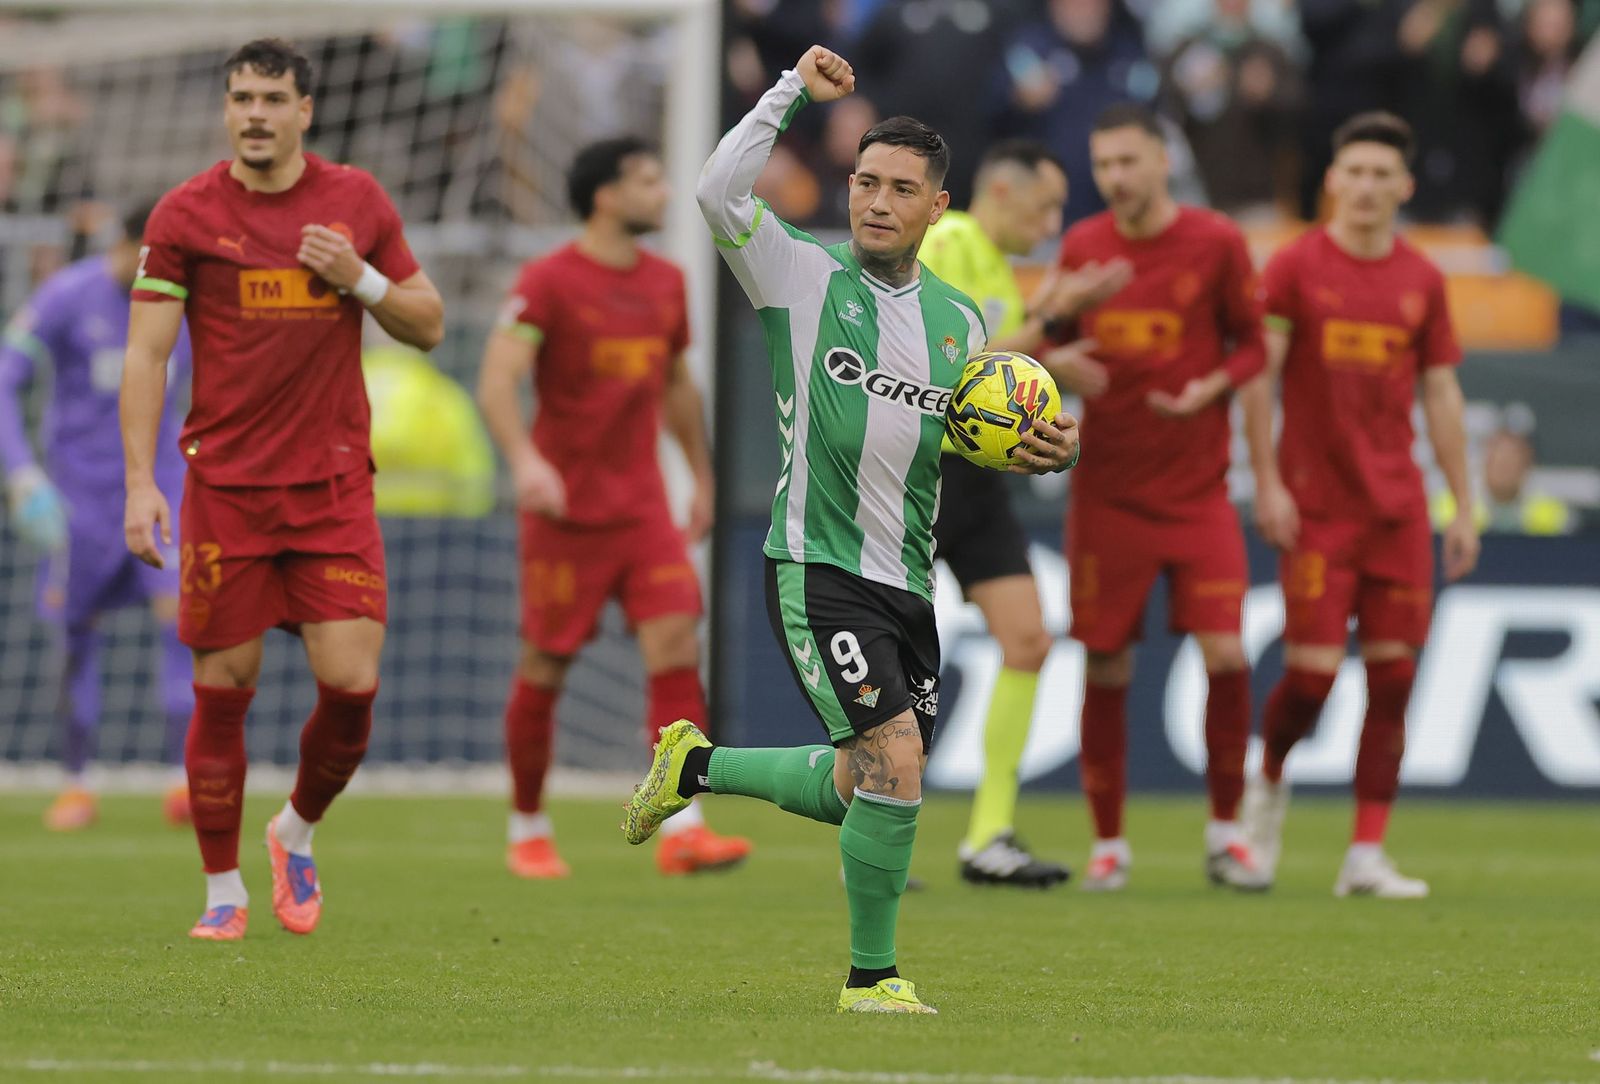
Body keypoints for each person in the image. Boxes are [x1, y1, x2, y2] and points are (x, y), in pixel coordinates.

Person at [623, 46, 1079, 1015]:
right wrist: (790, 90)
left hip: (906, 579)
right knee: (896, 764)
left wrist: (1046, 443)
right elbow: (713, 190)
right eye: (865, 182)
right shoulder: (794, 275)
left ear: (935, 206)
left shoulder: (961, 325)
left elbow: (988, 431)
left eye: (899, 188)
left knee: (861, 778)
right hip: (813, 562)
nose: (875, 200)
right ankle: (871, 978)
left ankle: (692, 764)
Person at [121, 38, 444, 941]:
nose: (255, 112)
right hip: (223, 489)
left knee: (351, 685)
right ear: (227, 110)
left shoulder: (356, 202)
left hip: (332, 487)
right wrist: (141, 483)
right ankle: (222, 895)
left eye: (272, 97)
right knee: (223, 687)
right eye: (241, 97)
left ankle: (294, 830)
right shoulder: (185, 213)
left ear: (306, 110)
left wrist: (361, 278)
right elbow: (146, 355)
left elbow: (430, 323)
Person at [477, 137, 751, 880]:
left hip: (642, 511)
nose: (664, 193)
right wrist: (528, 463)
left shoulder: (666, 283)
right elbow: (498, 380)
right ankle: (528, 826)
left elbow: (676, 387)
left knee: (674, 646)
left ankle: (684, 824)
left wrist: (701, 474)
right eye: (649, 180)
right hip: (564, 516)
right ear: (606, 196)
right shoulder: (548, 281)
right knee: (546, 663)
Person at [1241, 112, 1478, 898]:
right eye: (1357, 173)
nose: (1370, 187)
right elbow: (1260, 378)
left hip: (1399, 512)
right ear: (1333, 181)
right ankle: (1268, 776)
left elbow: (1441, 392)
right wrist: (1268, 481)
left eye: (1385, 175)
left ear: (1405, 186)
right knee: (1311, 679)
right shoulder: (1296, 267)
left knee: (1395, 679)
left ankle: (1366, 854)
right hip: (1316, 510)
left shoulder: (1423, 280)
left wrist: (1464, 503)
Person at [1052, 103, 1267, 893]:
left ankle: (1225, 833)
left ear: (1162, 161)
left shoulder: (1215, 242)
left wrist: (1210, 383)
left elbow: (1254, 346)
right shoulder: (1082, 246)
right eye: (1104, 164)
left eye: (1128, 162)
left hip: (1197, 492)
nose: (1115, 178)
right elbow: (1041, 345)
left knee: (1228, 653)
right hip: (1107, 494)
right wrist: (1059, 350)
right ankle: (1108, 844)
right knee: (1106, 664)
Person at [917, 138, 1129, 887]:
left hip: (977, 482)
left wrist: (1049, 365)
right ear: (1001, 192)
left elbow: (994, 374)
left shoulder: (996, 266)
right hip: (919, 473)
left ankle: (988, 836)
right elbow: (941, 366)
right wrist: (1050, 322)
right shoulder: (946, 240)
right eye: (1044, 205)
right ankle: (870, 835)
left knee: (1029, 640)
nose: (1051, 222)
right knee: (896, 667)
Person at [0, 204, 193, 830]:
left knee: (181, 624)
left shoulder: (186, 306)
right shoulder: (66, 294)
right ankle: (76, 781)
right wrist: (23, 474)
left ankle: (184, 782)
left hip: (161, 491)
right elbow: (5, 378)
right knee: (76, 635)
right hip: (79, 502)